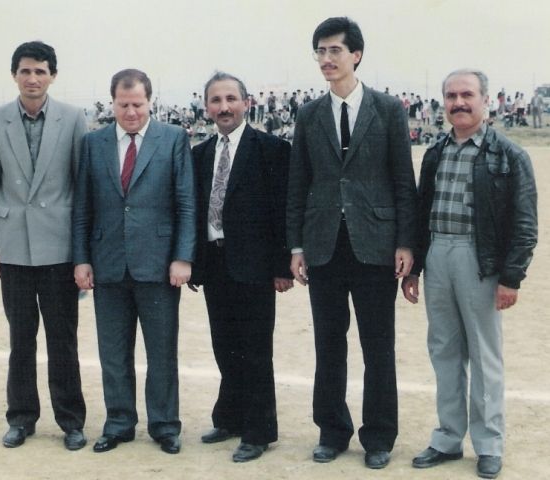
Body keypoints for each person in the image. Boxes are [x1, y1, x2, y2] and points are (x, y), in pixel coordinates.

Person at [286, 17, 417, 469]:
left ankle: (379, 436)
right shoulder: (308, 114)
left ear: (356, 55)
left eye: (335, 50)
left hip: (376, 245)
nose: (326, 59)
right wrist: (296, 247)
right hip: (323, 245)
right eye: (320, 51)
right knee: (329, 344)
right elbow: (298, 183)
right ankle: (332, 431)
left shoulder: (388, 109)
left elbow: (403, 181)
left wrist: (405, 243)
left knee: (378, 345)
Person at [402, 69, 538, 480]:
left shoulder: (509, 155)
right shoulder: (435, 152)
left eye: (467, 95)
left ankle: (489, 443)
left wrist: (511, 277)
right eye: (451, 96)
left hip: (479, 259)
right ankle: (447, 438)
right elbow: (421, 212)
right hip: (439, 254)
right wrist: (416, 268)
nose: (458, 103)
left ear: (485, 100)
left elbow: (525, 223)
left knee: (484, 354)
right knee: (444, 351)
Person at [72, 69, 195, 455]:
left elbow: (186, 204)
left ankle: (165, 425)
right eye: (123, 104)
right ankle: (119, 423)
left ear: (150, 102)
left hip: (158, 266)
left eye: (138, 104)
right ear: (111, 103)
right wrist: (81, 259)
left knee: (162, 353)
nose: (130, 112)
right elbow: (82, 207)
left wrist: (182, 257)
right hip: (107, 264)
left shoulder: (173, 138)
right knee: (113, 353)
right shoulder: (92, 143)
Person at [0, 41, 87, 450]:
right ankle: (21, 418)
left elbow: (82, 188)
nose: (33, 79)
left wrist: (82, 253)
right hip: (14, 249)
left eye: (40, 71)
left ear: (52, 76)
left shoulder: (73, 118)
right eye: (25, 71)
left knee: (63, 339)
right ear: (14, 75)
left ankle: (71, 421)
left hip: (60, 249)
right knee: (20, 338)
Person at [190, 71, 292, 463]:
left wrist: (282, 266)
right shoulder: (200, 154)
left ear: (247, 103)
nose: (224, 107)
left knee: (255, 350)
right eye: (216, 100)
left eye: (231, 99)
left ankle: (258, 431)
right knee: (224, 346)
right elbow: (196, 211)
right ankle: (229, 418)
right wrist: (195, 264)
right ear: (207, 107)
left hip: (255, 266)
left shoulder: (271, 149)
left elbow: (282, 210)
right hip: (215, 263)